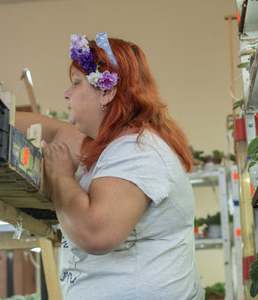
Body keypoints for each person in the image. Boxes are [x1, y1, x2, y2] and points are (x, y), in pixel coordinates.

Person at [16, 32, 204, 300]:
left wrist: (61, 177)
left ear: (106, 91)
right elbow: (51, 133)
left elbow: (96, 233)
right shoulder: (112, 145)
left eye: (76, 83)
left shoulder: (135, 150)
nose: (66, 93)